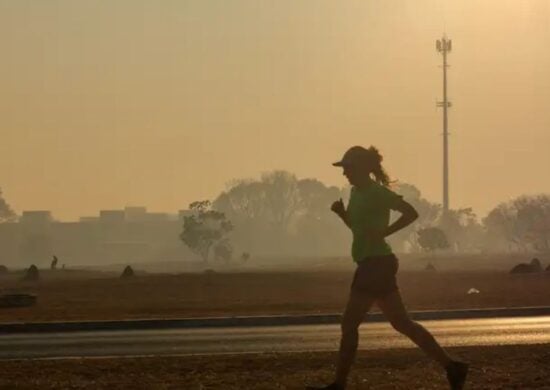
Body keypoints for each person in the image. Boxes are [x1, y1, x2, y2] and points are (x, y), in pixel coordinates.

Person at [307, 146, 468, 390]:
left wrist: (387, 231)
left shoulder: (377, 193)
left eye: (348, 168)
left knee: (349, 324)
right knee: (403, 324)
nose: (344, 174)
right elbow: (358, 228)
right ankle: (452, 367)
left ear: (361, 168)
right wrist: (342, 214)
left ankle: (339, 384)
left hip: (375, 264)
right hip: (372, 262)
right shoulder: (356, 193)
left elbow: (411, 213)